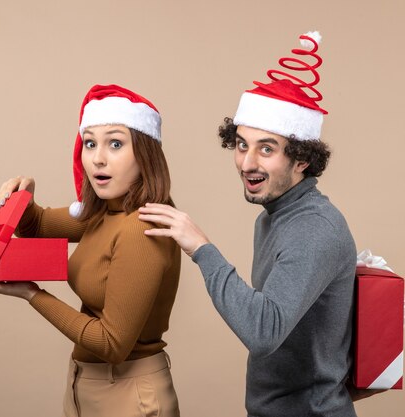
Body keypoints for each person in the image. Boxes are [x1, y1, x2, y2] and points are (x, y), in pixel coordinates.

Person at [139, 32, 359, 416]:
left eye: (267, 148)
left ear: (302, 159)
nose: (247, 163)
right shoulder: (273, 217)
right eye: (242, 144)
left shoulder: (315, 227)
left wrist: (201, 249)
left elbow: (264, 332)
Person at [0, 84, 181, 417]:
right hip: (86, 385)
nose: (98, 157)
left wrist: (32, 295)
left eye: (115, 143)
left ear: (145, 153)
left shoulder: (141, 228)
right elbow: (37, 226)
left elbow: (112, 344)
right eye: (90, 143)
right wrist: (23, 199)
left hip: (128, 395)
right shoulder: (106, 214)